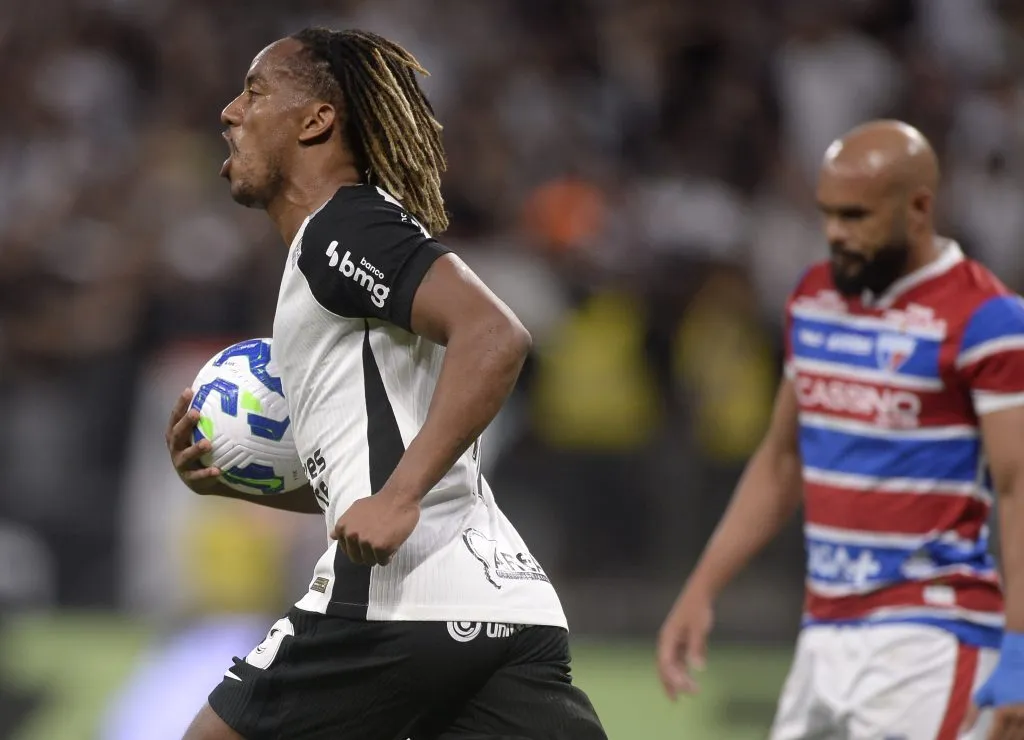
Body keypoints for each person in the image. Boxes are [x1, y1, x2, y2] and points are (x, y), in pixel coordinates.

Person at [164, 28, 606, 740]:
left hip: (397, 605)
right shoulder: (342, 246)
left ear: (316, 121)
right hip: (503, 606)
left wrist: (398, 498)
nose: (229, 111)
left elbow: (496, 335)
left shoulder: (342, 226)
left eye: (254, 92)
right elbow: (366, 479)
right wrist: (237, 485)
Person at [656, 120, 1024, 739]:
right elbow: (781, 461)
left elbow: (1017, 489)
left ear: (919, 208)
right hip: (823, 632)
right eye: (827, 213)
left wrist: (1019, 651)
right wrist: (702, 588)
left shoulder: (988, 319)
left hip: (931, 639)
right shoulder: (813, 297)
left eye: (855, 216)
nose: (834, 232)